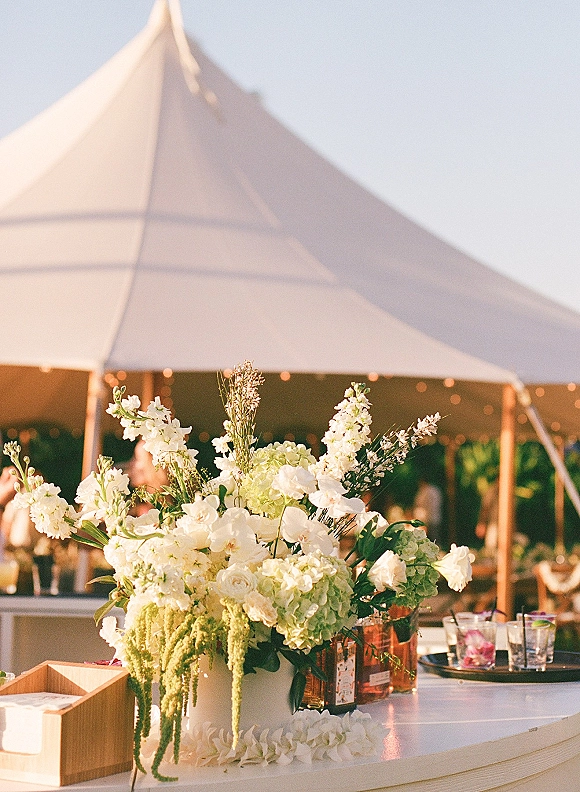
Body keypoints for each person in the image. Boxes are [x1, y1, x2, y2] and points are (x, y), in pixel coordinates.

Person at [412, 476, 443, 545]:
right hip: (429, 516)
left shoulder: (428, 491)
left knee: (433, 535)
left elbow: (426, 505)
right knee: (432, 534)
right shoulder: (432, 490)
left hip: (429, 517)